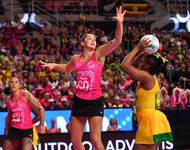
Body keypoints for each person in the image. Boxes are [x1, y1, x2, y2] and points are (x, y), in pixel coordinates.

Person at [40, 6, 126, 150]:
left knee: (95, 140)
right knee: (75, 140)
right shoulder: (76, 58)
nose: (93, 40)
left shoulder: (99, 54)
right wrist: (53, 65)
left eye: (95, 39)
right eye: (90, 38)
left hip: (95, 102)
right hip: (79, 101)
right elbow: (67, 69)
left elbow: (117, 40)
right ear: (82, 43)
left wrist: (120, 23)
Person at [120, 38, 172, 150]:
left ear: (147, 66)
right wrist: (142, 54)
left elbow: (124, 66)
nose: (141, 63)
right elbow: (133, 67)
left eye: (143, 62)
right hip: (153, 118)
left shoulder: (146, 77)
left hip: (149, 120)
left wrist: (138, 48)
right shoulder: (152, 78)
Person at [3, 77, 45, 150]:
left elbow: (41, 109)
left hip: (26, 130)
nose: (14, 84)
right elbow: (9, 117)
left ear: (19, 85)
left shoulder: (25, 95)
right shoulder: (8, 99)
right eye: (12, 82)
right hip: (13, 130)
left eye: (16, 82)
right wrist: (7, 129)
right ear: (9, 85)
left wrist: (42, 124)